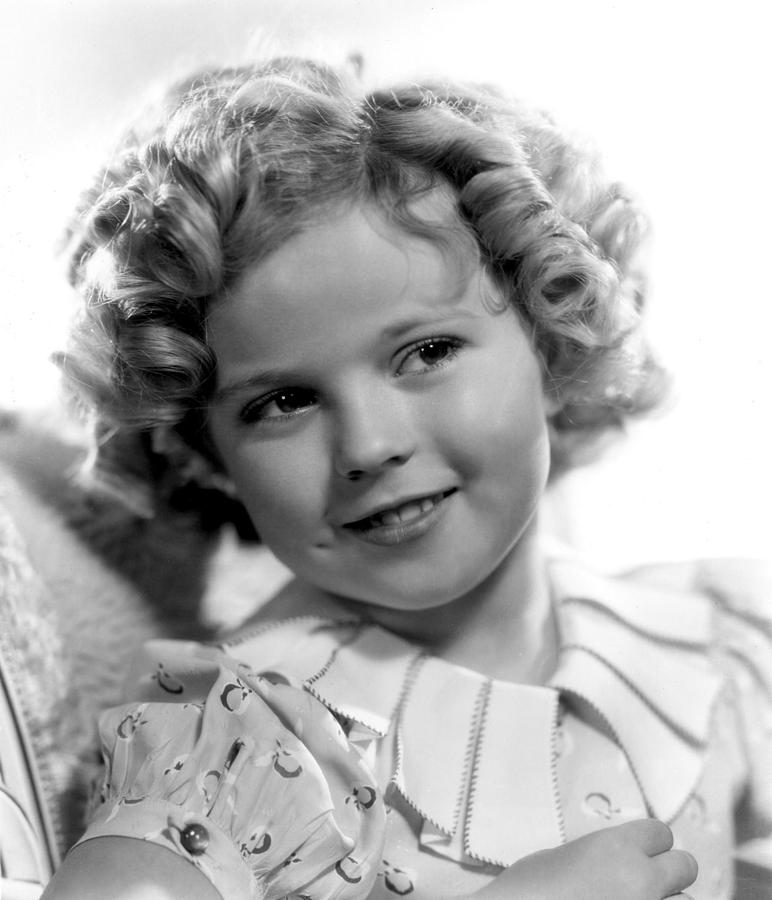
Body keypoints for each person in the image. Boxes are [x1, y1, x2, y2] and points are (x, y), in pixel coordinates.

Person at [40, 57, 770, 899]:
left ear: (553, 334)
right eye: (283, 402)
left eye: (426, 352)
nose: (370, 445)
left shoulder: (715, 655)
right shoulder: (236, 746)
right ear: (205, 452)